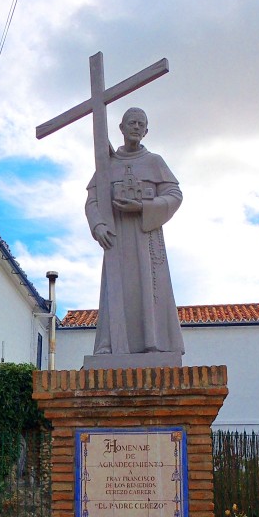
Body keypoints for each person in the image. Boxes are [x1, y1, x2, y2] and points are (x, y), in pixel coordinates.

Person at [85, 107, 184, 357]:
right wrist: (98, 226)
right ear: (121, 128)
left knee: (149, 287)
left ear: (147, 130)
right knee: (115, 288)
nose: (136, 127)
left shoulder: (154, 162)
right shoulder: (107, 165)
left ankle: (153, 343)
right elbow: (92, 200)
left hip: (146, 236)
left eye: (141, 123)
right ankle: (110, 344)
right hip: (116, 239)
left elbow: (174, 194)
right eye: (132, 122)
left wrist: (142, 207)